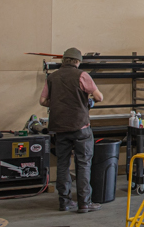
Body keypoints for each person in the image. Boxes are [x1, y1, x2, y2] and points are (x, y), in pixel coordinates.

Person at [39, 48, 104, 213]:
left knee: (62, 164)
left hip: (59, 127)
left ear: (64, 60)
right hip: (80, 126)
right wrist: (87, 102)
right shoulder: (82, 75)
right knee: (83, 164)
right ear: (77, 61)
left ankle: (65, 202)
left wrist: (57, 105)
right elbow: (99, 97)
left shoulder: (52, 77)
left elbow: (43, 101)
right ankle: (84, 202)